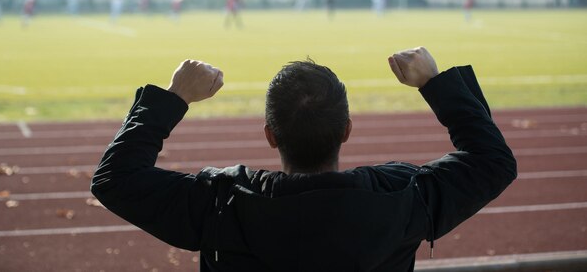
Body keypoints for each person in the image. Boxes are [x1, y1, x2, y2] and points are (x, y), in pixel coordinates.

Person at [91, 47, 517, 272]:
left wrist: (173, 96)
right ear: (346, 131)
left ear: (270, 137)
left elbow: (116, 179)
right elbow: (492, 161)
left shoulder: (221, 203)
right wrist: (437, 82)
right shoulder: (402, 197)